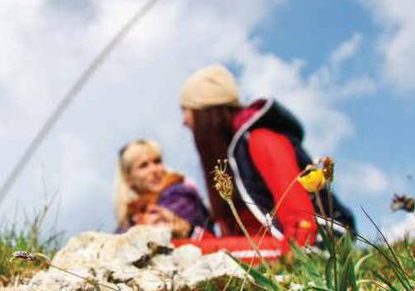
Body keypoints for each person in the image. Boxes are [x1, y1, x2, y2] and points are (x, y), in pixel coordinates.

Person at [178, 63, 355, 250]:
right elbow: (246, 240)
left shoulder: (262, 140)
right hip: (280, 247)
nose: (184, 120)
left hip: (320, 243)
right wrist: (191, 233)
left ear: (205, 112)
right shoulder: (231, 164)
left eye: (186, 110)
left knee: (180, 253)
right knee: (181, 251)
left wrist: (192, 249)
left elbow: (303, 235)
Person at [113, 139, 210, 239]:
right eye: (144, 165)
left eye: (157, 161)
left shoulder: (181, 195)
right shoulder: (132, 213)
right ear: (129, 178)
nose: (154, 170)